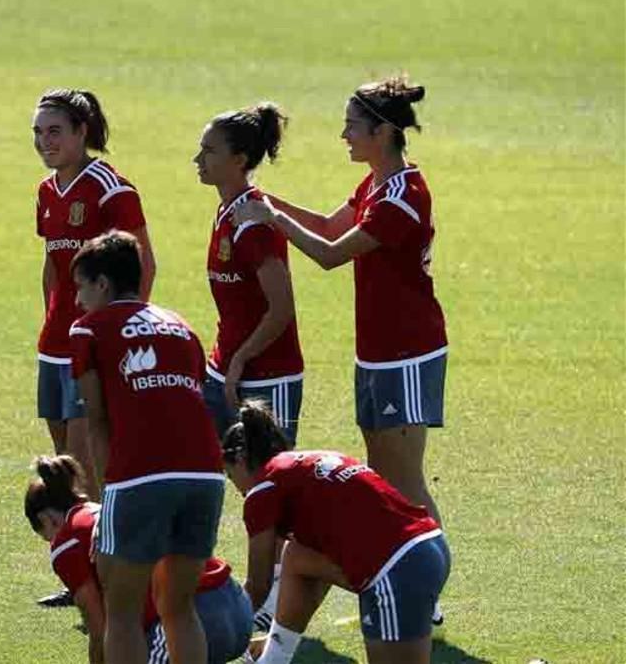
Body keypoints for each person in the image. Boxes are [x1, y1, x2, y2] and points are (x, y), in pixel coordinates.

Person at [231, 76, 446, 533]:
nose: (343, 135)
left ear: (382, 132)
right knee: (385, 477)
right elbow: (330, 226)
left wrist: (273, 218)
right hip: (377, 350)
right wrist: (260, 199)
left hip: (407, 352)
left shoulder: (402, 197)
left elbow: (330, 254)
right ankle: (399, 578)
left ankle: (424, 593)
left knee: (405, 481)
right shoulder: (376, 185)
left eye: (352, 126)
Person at [68, 231, 225, 664]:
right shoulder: (181, 326)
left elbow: (98, 422)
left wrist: (105, 505)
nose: (78, 300)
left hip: (141, 476)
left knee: (123, 613)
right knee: (178, 606)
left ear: (102, 284)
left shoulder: (88, 330)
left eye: (81, 287)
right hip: (205, 476)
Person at [222, 401, 449, 664]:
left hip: (398, 568)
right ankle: (273, 658)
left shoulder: (262, 491)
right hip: (430, 545)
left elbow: (258, 586)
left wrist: (222, 633)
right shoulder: (305, 463)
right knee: (297, 556)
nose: (236, 487)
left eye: (230, 474)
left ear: (240, 459)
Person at [32, 89, 157, 504]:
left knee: (85, 458)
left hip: (96, 343)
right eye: (38, 132)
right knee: (63, 469)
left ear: (81, 132)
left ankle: (108, 551)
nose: (45, 141)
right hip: (55, 344)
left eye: (55, 131)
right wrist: (50, 317)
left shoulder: (110, 189)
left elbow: (143, 265)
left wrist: (123, 332)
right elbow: (52, 264)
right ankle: (85, 546)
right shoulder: (46, 192)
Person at [24, 455, 252, 664]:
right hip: (238, 608)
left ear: (46, 518)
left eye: (45, 536)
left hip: (195, 618)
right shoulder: (106, 509)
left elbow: (99, 628)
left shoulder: (67, 541)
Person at [193, 102, 304, 442]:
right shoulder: (228, 211)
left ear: (239, 160)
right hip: (225, 370)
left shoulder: (253, 223)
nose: (197, 159)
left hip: (266, 377)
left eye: (209, 151)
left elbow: (281, 308)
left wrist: (241, 358)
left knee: (271, 479)